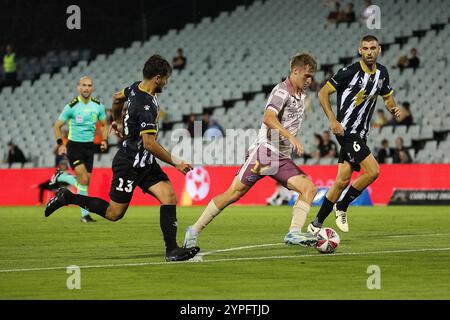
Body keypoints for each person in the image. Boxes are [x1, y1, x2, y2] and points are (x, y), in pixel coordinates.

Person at [45, 55, 200, 262]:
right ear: (157, 78)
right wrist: (176, 162)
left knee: (169, 196)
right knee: (114, 213)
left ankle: (172, 250)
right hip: (129, 163)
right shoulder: (145, 106)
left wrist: (117, 121)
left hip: (144, 162)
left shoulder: (135, 87)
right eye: (165, 78)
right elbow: (149, 144)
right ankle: (67, 197)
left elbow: (117, 98)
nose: (166, 82)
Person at [183, 53, 318, 249]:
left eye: (311, 76)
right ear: (295, 71)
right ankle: (193, 230)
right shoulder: (282, 92)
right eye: (306, 75)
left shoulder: (300, 95)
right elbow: (268, 118)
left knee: (309, 189)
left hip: (280, 157)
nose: (309, 80)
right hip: (265, 153)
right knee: (233, 194)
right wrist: (290, 136)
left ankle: (294, 233)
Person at [307, 35, 401, 234]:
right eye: (365, 48)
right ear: (360, 50)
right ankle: (341, 206)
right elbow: (323, 93)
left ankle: (316, 224)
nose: (369, 51)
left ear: (379, 49)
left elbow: (388, 99)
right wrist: (333, 120)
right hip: (347, 131)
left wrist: (393, 109)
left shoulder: (382, 73)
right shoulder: (349, 72)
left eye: (372, 48)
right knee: (373, 171)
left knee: (341, 180)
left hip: (362, 133)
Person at [53, 76, 109, 222]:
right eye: (84, 85)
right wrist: (61, 144)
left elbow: (104, 124)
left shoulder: (98, 106)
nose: (86, 88)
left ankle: (61, 177)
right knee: (83, 179)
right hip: (74, 146)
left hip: (89, 148)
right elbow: (57, 126)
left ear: (93, 88)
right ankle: (85, 215)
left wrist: (104, 140)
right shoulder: (71, 106)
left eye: (89, 85)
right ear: (78, 87)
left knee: (85, 182)